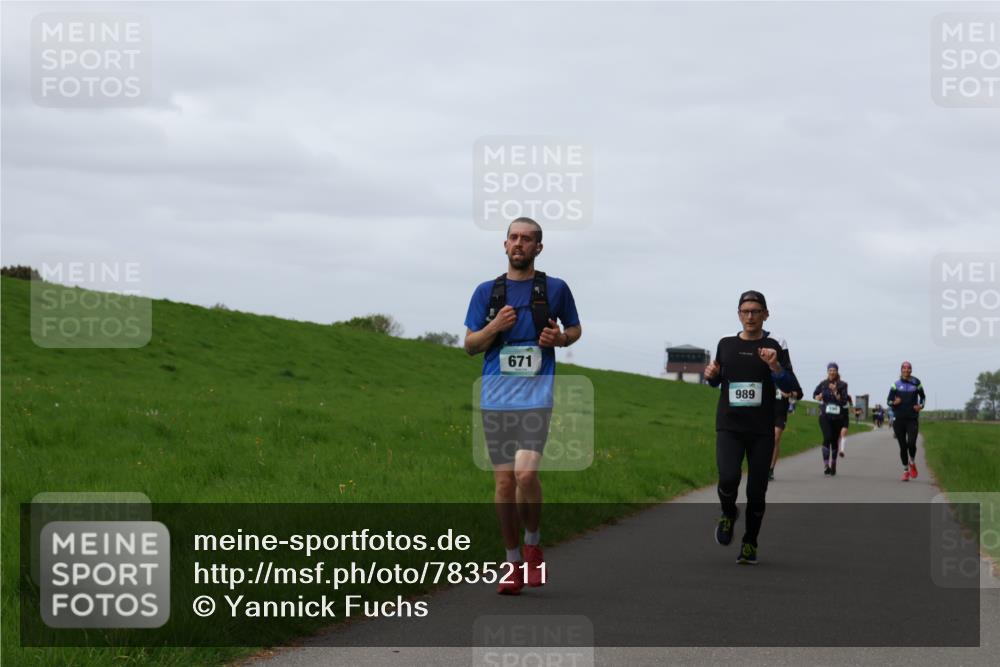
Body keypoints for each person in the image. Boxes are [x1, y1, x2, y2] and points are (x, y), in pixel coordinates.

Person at [464, 217, 581, 594]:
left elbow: (575, 329)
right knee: (503, 482)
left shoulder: (556, 288)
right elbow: (470, 345)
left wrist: (559, 339)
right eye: (513, 237)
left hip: (536, 397)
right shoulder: (486, 292)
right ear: (504, 245)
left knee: (526, 476)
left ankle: (533, 544)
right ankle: (512, 562)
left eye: (527, 239)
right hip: (495, 399)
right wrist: (495, 326)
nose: (519, 244)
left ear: (538, 248)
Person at [704, 291, 800, 565]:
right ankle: (727, 513)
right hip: (729, 426)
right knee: (728, 478)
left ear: (765, 315)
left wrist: (774, 366)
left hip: (761, 430)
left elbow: (792, 388)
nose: (750, 316)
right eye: (745, 311)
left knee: (756, 492)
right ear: (738, 315)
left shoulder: (774, 345)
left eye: (756, 311)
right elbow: (718, 380)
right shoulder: (725, 344)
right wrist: (711, 377)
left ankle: (749, 543)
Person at [762, 332, 803, 482]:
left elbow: (799, 393)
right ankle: (760, 466)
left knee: (775, 438)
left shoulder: (785, 374)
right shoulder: (763, 373)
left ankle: (770, 469)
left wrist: (790, 393)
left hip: (780, 409)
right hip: (765, 409)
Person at [888, 361, 926, 482]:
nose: (906, 370)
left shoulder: (916, 382)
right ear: (901, 370)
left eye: (908, 368)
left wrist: (920, 406)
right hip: (898, 419)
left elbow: (923, 397)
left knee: (911, 443)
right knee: (903, 447)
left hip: (912, 418)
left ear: (911, 370)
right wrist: (894, 402)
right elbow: (888, 401)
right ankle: (905, 471)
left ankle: (912, 462)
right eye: (904, 368)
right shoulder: (895, 385)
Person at [813, 363, 849, 476]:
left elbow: (843, 401)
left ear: (837, 371)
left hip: (838, 417)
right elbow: (815, 394)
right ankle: (826, 465)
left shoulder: (842, 385)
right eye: (830, 370)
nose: (832, 372)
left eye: (834, 370)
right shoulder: (823, 384)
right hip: (825, 416)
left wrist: (835, 391)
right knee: (827, 437)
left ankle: (833, 462)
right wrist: (817, 397)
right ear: (827, 371)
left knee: (834, 441)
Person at [838, 393, 853, 457]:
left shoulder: (848, 396)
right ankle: (837, 450)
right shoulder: (835, 395)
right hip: (836, 418)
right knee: (838, 435)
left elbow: (851, 404)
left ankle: (842, 451)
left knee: (843, 434)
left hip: (845, 418)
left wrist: (851, 408)